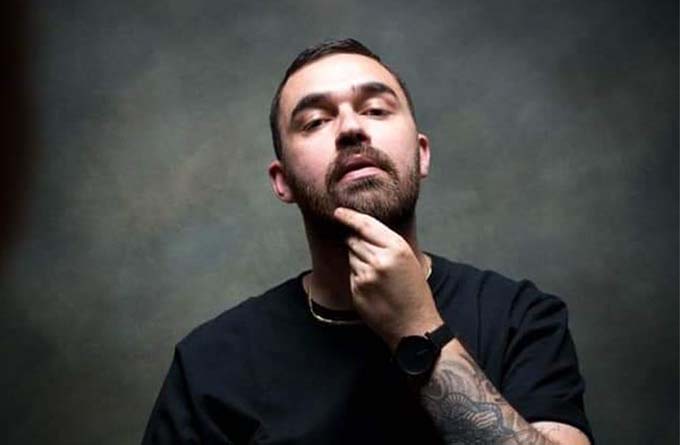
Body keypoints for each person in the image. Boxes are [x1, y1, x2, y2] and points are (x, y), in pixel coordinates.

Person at [142, 38, 594, 444]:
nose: (350, 129)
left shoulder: (520, 317)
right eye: (315, 121)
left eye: (376, 110)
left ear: (421, 155)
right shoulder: (212, 363)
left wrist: (416, 330)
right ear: (283, 182)